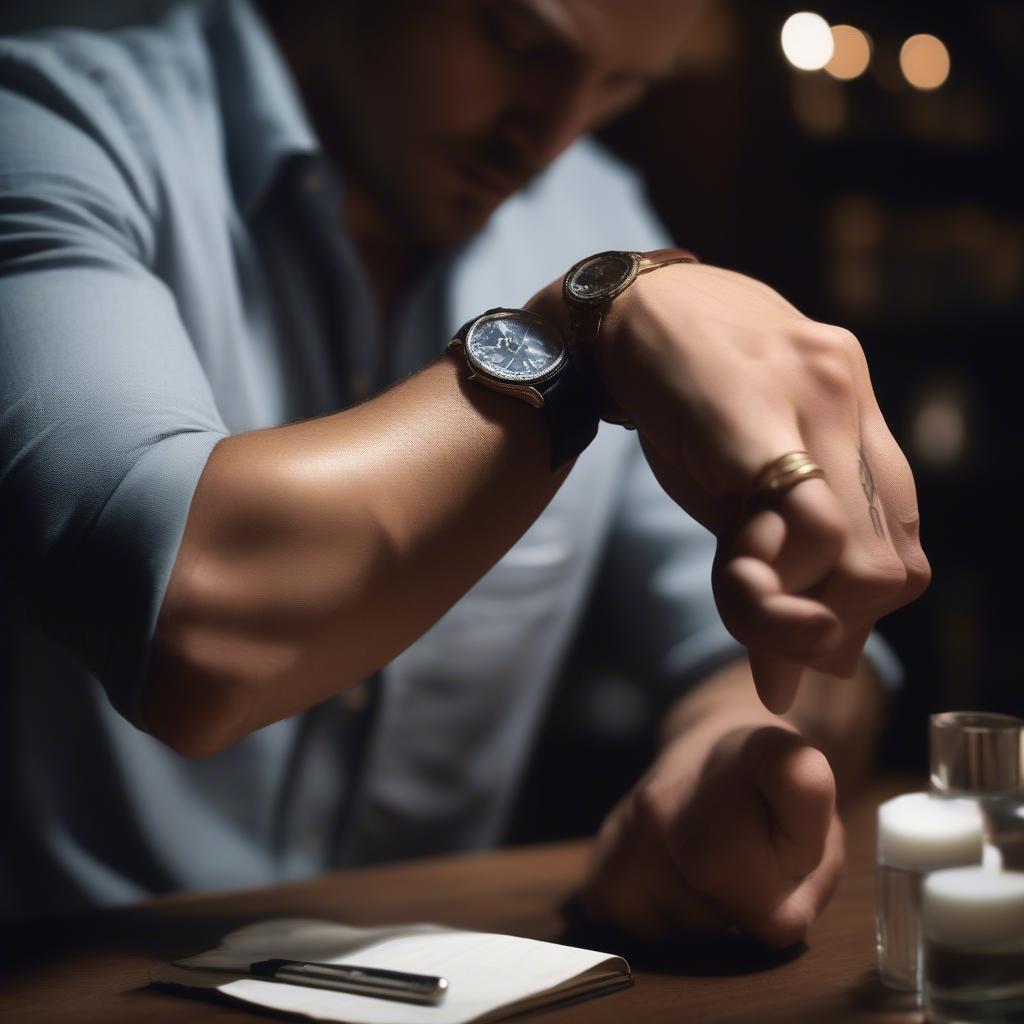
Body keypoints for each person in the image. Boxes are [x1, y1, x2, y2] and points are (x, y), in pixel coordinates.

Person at [0, 0, 928, 944]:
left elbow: (808, 651)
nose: (550, 135)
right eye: (519, 42)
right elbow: (187, 630)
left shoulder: (596, 213)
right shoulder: (43, 127)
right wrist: (575, 336)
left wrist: (732, 755)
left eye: (619, 86)